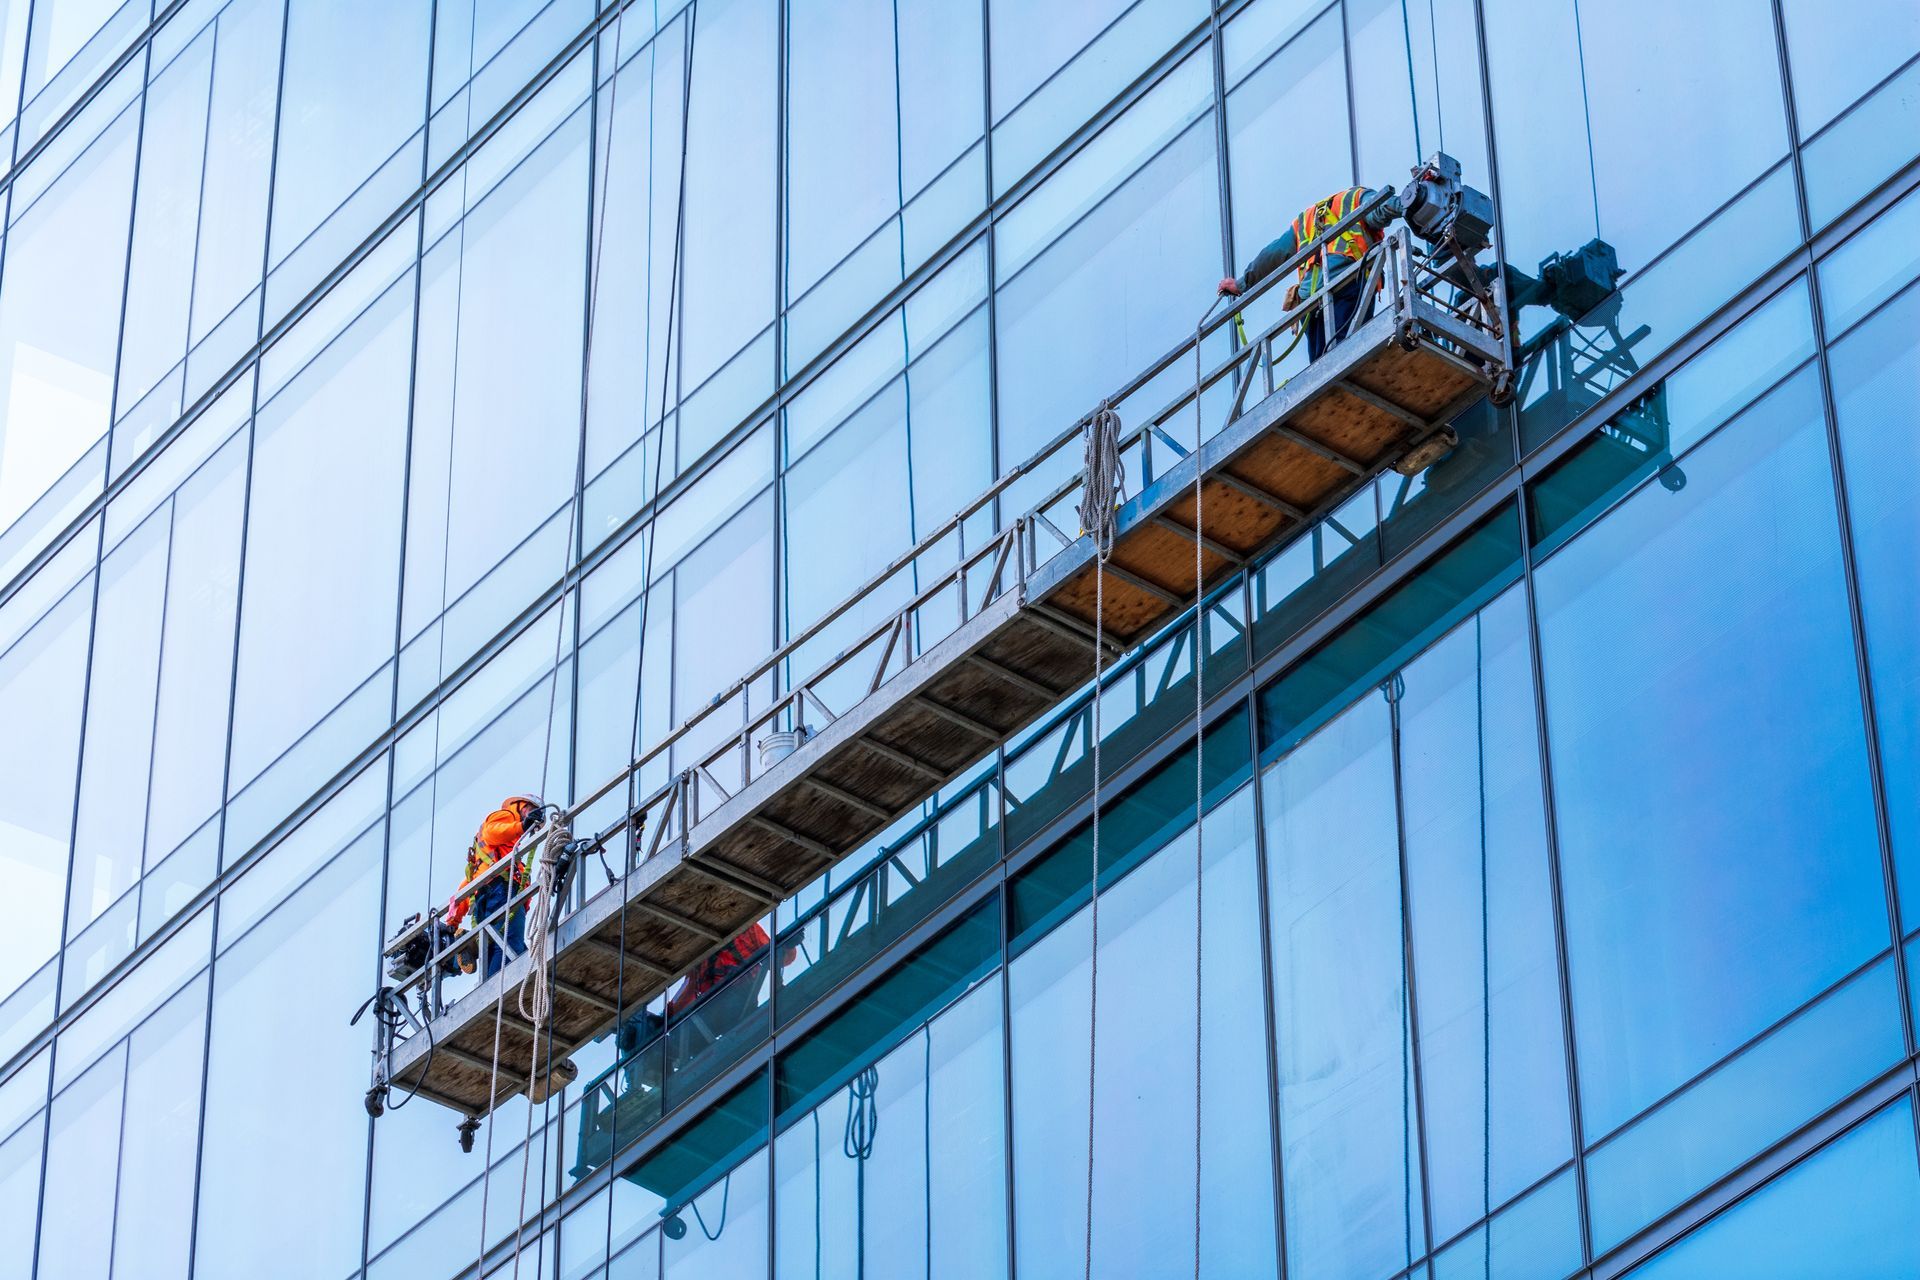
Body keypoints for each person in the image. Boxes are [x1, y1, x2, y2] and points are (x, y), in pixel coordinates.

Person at [1219, 184, 1404, 360]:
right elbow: (1380, 207)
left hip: (1311, 303)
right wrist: (1410, 201)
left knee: (1321, 364)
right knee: (1350, 353)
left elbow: (1273, 253)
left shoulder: (1304, 221)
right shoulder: (1355, 198)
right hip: (1347, 285)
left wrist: (1241, 283)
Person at [445, 794, 544, 978]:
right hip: (501, 892)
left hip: (486, 897)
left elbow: (468, 883)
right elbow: (493, 831)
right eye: (530, 810)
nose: (530, 816)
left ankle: (487, 980)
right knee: (510, 944)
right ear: (520, 805)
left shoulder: (495, 857)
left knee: (507, 950)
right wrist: (521, 826)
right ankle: (498, 988)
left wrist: (453, 919)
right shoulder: (507, 817)